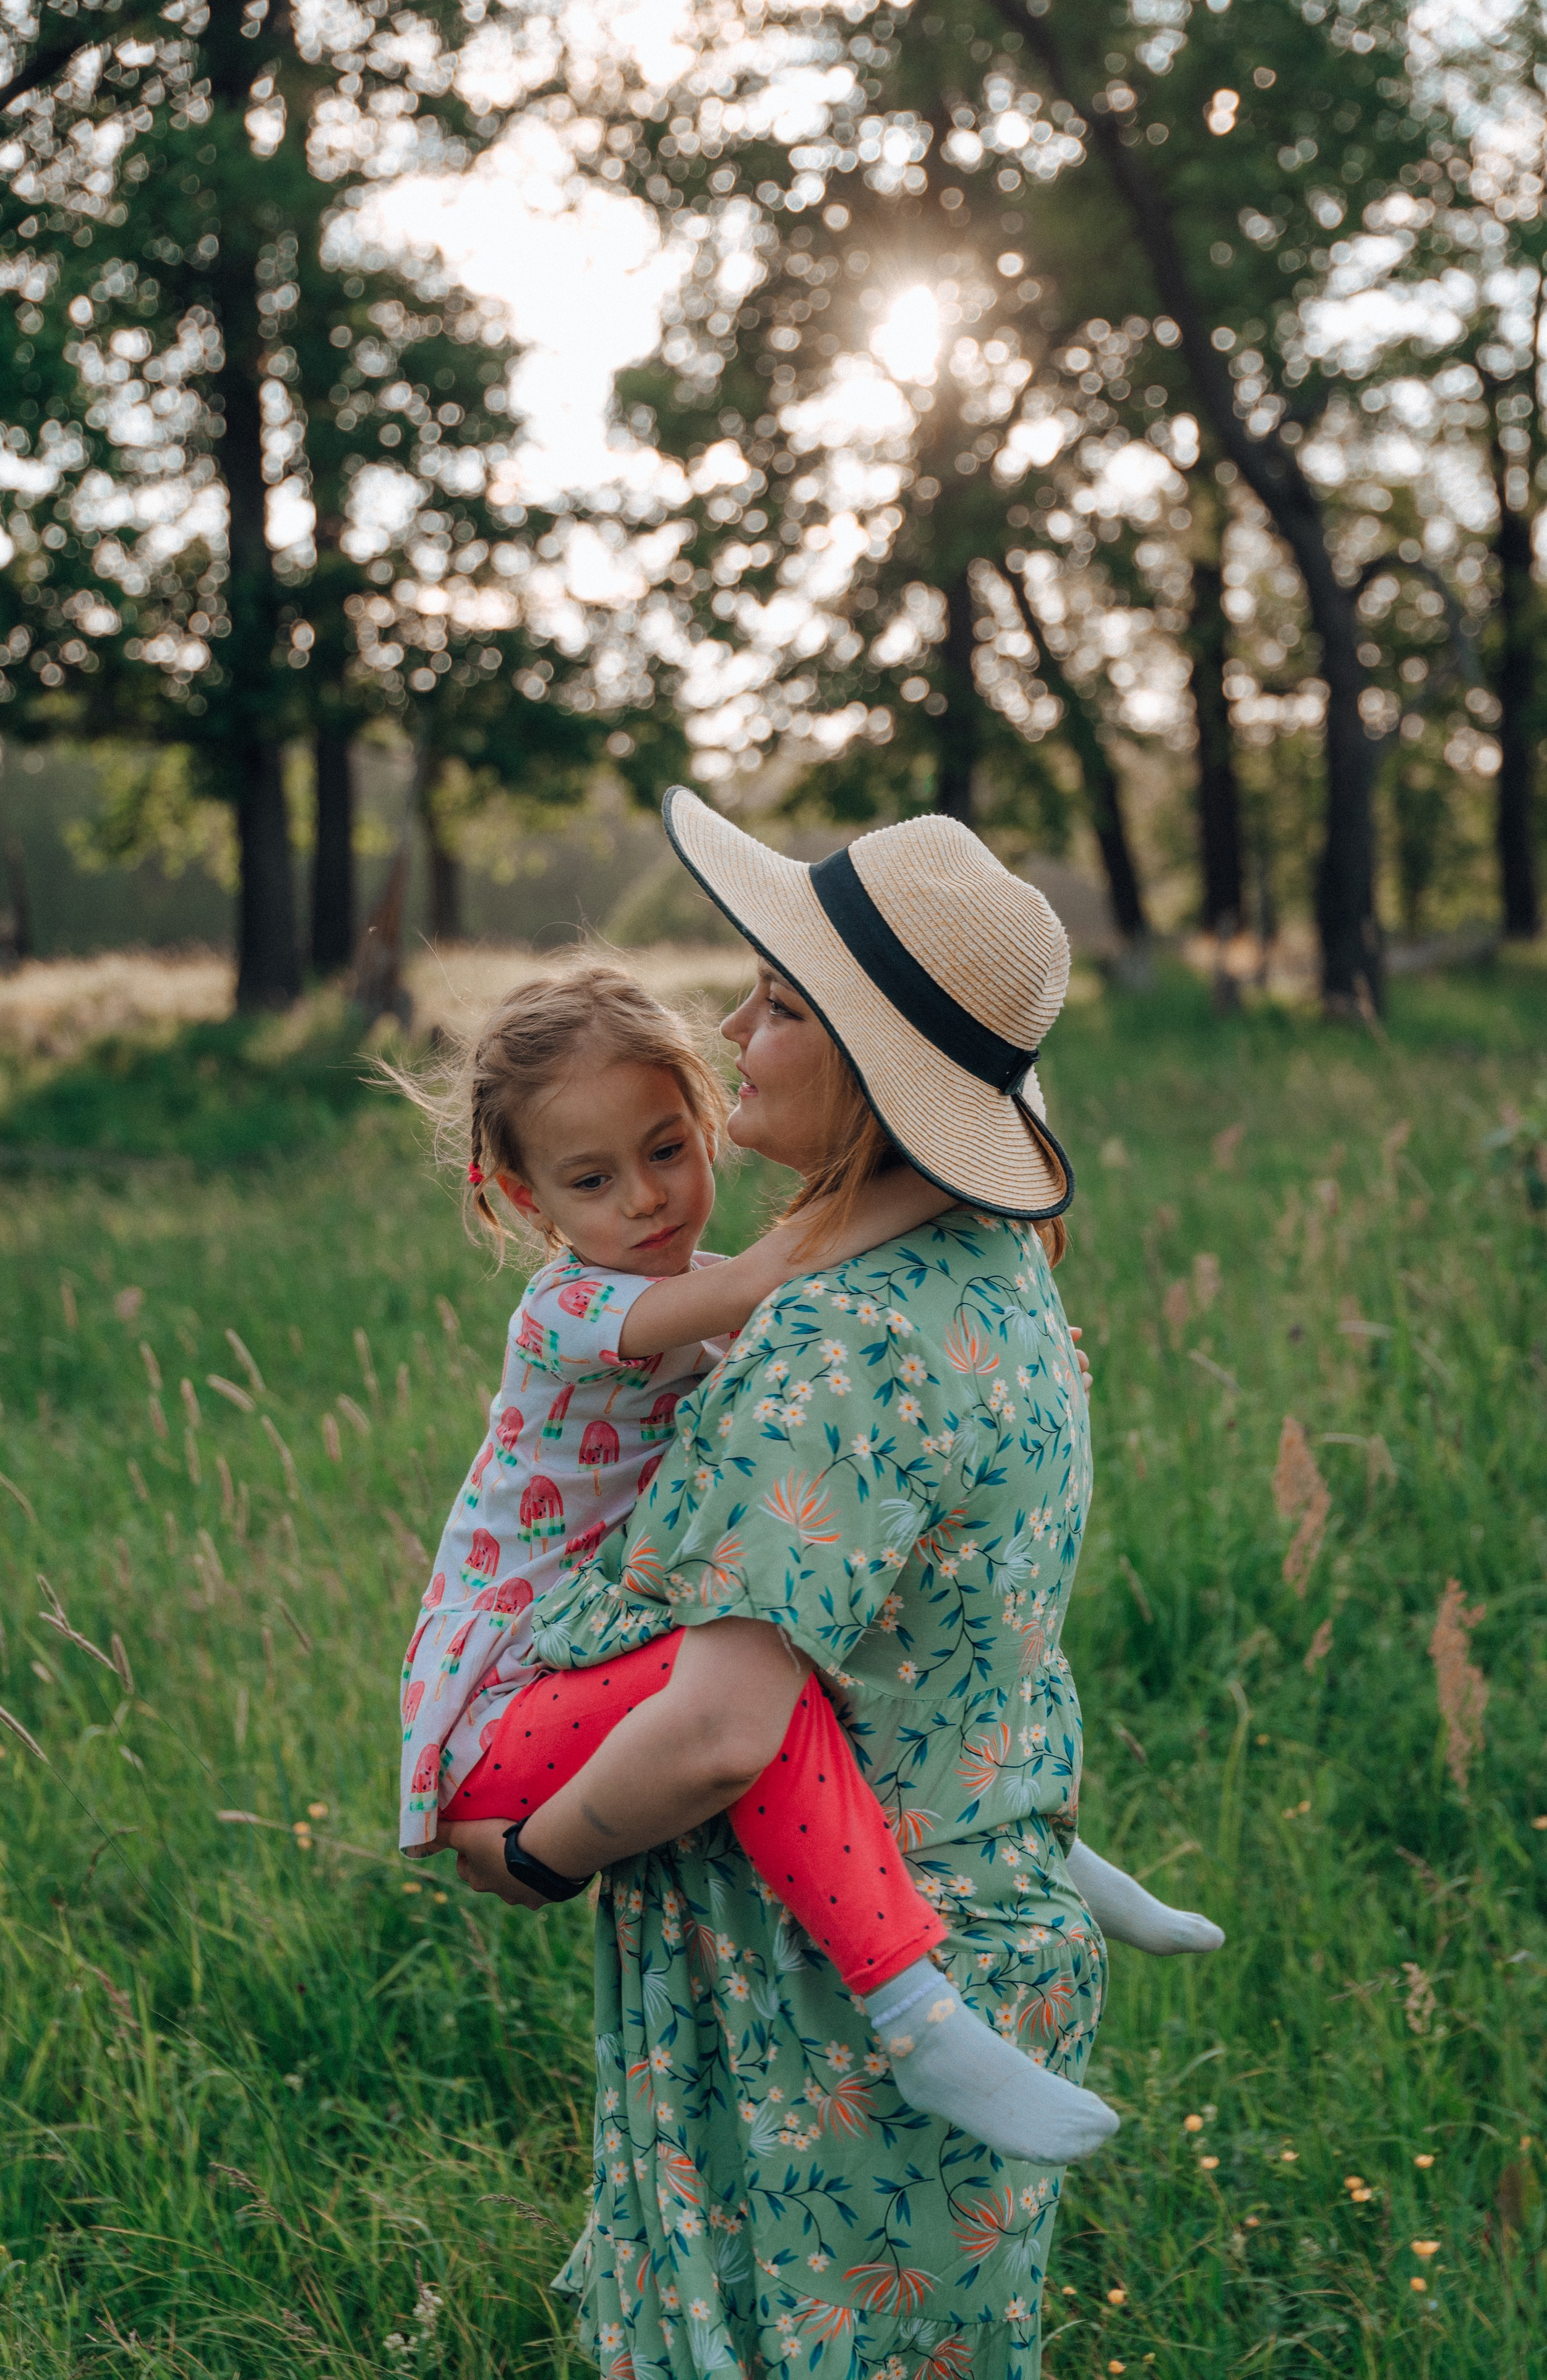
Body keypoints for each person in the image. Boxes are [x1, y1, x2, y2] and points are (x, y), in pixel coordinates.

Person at [447, 794, 1225, 2380]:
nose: (735, 1030)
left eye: (783, 1007)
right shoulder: (1002, 1266)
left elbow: (724, 1733)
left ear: (873, 1068)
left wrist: (526, 1859)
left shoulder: (828, 1341)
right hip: (995, 1887)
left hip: (820, 1994)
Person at [398, 962, 1117, 2159]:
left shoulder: (686, 1297)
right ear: (526, 1204)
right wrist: (958, 1171)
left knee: (795, 1609)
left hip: (593, 1668)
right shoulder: (568, 1312)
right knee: (754, 1680)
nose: (646, 1199)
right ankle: (916, 2012)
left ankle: (1050, 1843)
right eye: (592, 1180)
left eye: (668, 1148)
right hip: (505, 1710)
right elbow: (777, 1268)